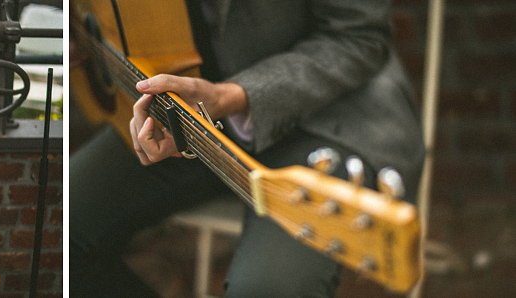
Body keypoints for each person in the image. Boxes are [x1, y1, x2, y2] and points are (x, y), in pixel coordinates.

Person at [70, 0, 425, 297]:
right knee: (59, 229)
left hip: (327, 118)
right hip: (183, 113)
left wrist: (228, 96)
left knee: (266, 291)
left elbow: (359, 36)